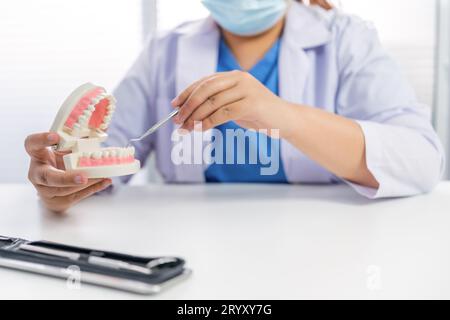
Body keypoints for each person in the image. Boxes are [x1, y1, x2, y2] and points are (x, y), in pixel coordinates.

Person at [25, 0, 445, 212]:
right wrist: (63, 181)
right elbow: (107, 154)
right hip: (190, 250)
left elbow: (422, 161)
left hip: (324, 248)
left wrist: (285, 116)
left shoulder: (346, 41)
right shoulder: (166, 51)